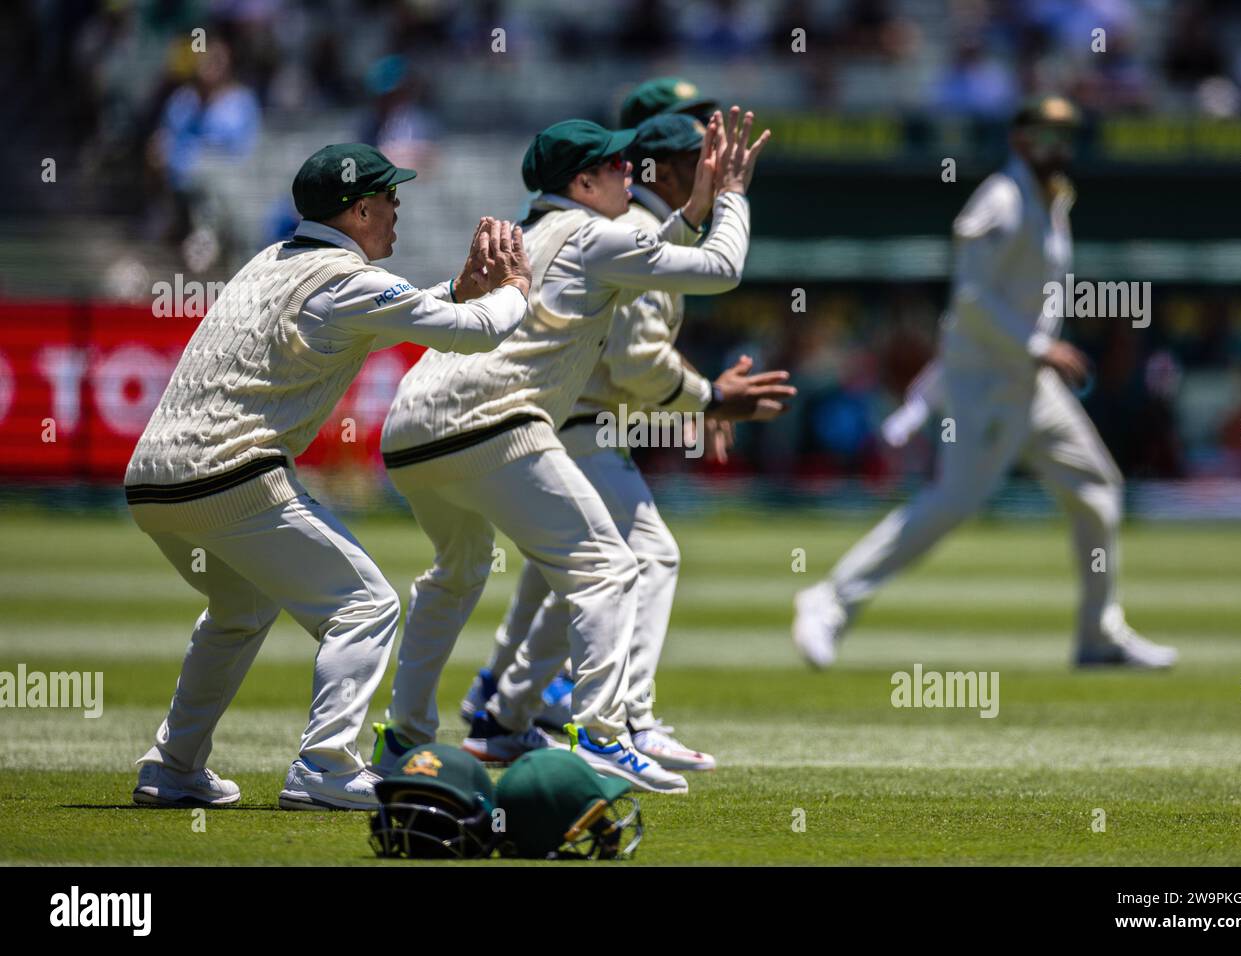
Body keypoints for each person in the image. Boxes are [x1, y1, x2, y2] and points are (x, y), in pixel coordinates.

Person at [373, 109, 773, 794]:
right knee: (613, 569)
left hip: (411, 425)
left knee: (456, 572)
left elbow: (643, 268)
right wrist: (732, 193)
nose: (631, 172)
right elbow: (720, 268)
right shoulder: (593, 235)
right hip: (493, 421)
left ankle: (404, 735)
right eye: (617, 166)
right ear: (584, 182)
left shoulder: (538, 232)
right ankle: (603, 735)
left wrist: (695, 207)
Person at [125, 143, 530, 810]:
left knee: (240, 607)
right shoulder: (348, 280)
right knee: (365, 604)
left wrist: (459, 290)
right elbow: (472, 335)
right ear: (360, 207)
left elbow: (391, 317)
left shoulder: (268, 264)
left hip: (152, 481)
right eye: (390, 198)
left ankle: (172, 766)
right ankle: (325, 767)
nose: (398, 209)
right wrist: (515, 288)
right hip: (231, 473)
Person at [793, 96, 1178, 671]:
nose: (1060, 148)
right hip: (986, 386)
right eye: (1048, 136)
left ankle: (1099, 635)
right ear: (1021, 141)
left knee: (1097, 490)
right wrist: (1039, 345)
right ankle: (828, 601)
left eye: (1066, 137)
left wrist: (1039, 347)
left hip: (1030, 384)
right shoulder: (1000, 200)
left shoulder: (1052, 199)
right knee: (952, 502)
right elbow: (972, 301)